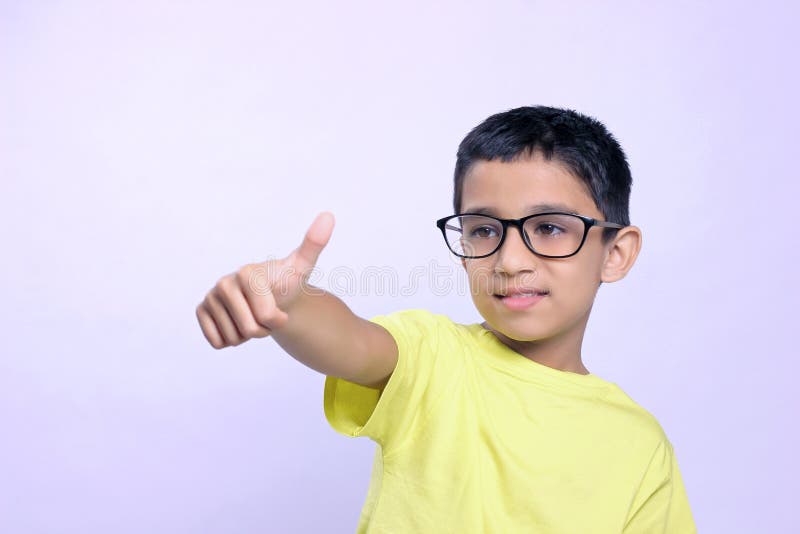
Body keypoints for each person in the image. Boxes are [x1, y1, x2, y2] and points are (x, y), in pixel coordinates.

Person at [195, 105, 697, 533]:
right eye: (483, 230)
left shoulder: (639, 444)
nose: (511, 260)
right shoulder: (433, 358)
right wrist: (289, 303)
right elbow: (353, 341)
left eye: (548, 228)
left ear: (617, 252)